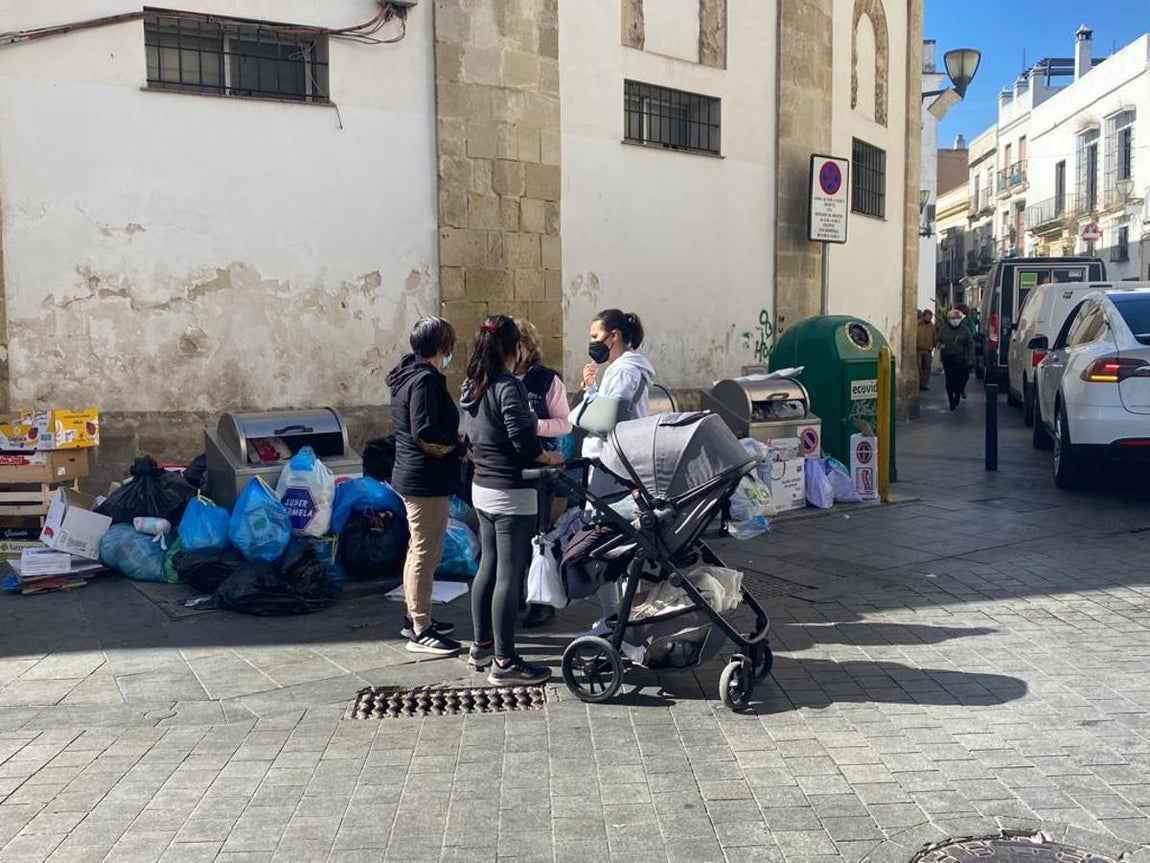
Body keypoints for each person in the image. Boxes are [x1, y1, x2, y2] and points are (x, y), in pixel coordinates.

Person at [460, 315, 564, 685]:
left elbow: (472, 435)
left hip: (483, 487)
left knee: (487, 565)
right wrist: (547, 457)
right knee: (509, 572)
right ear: (515, 347)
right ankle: (504, 663)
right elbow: (522, 437)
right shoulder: (507, 386)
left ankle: (482, 645)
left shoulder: (472, 383)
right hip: (512, 490)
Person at [385, 317, 466, 656]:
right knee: (425, 551)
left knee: (418, 548)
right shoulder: (425, 381)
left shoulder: (407, 374)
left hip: (413, 475)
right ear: (442, 346)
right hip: (424, 479)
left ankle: (415, 616)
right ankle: (421, 628)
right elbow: (426, 433)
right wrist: (460, 448)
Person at [580, 309, 655, 625]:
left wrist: (586, 406)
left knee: (607, 542)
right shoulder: (621, 369)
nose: (592, 343)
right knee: (614, 541)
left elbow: (606, 418)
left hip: (613, 466)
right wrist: (592, 390)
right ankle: (618, 615)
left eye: (596, 337)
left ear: (614, 336)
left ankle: (618, 616)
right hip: (615, 462)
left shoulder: (624, 371)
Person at [513, 319, 574, 630]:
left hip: (540, 466)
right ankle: (515, 596)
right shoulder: (495, 377)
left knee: (539, 536)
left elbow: (565, 422)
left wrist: (535, 426)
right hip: (506, 469)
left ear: (528, 348)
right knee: (514, 539)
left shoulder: (547, 380)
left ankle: (540, 601)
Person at [936, 308, 976, 411]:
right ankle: (951, 401)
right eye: (953, 318)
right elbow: (937, 340)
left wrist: (971, 358)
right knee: (949, 381)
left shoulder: (964, 329)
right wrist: (940, 346)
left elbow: (970, 344)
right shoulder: (944, 329)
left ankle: (958, 394)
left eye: (957, 318)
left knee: (962, 379)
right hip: (948, 360)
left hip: (961, 359)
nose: (955, 320)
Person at [916, 309, 936, 391]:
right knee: (919, 367)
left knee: (927, 368)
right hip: (918, 349)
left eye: (930, 318)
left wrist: (935, 345)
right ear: (924, 316)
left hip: (928, 350)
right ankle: (918, 383)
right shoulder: (917, 325)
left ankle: (924, 384)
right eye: (927, 317)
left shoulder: (932, 326)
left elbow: (935, 337)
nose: (929, 319)